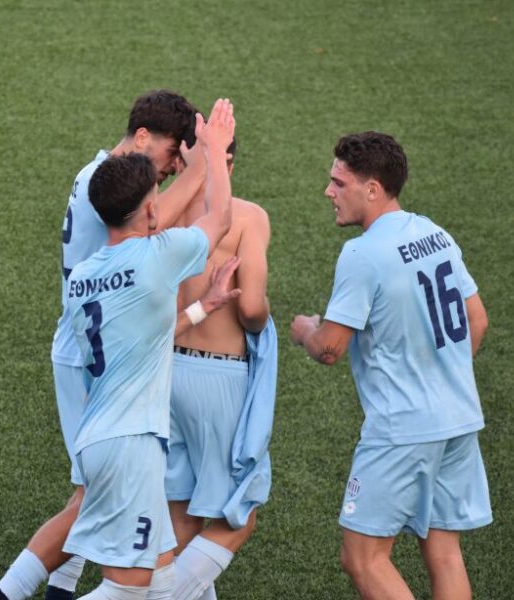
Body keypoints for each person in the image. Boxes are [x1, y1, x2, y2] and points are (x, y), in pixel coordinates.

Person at [0, 90, 216, 600]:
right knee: (92, 496)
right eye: (172, 152)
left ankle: (57, 589)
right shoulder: (110, 187)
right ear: (141, 137)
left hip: (97, 344)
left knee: (113, 507)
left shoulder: (100, 176)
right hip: (92, 356)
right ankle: (1, 595)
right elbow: (156, 227)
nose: (174, 165)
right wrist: (206, 165)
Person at [289, 132, 491, 600]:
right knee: (444, 553)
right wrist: (440, 378)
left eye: (339, 183)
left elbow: (330, 349)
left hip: (403, 428)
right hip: (459, 419)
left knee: (363, 558)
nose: (328, 191)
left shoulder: (363, 253)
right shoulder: (434, 233)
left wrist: (305, 331)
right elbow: (476, 319)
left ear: (373, 189)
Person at [61, 98, 235, 600]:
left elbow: (148, 335)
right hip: (132, 444)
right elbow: (220, 218)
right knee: (129, 588)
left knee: (162, 576)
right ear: (151, 210)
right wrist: (214, 153)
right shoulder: (156, 257)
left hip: (99, 438)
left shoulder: (84, 277)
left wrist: (203, 307)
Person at [165, 135, 274, 600]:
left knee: (180, 516)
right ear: (229, 162)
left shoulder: (159, 214)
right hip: (219, 379)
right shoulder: (249, 217)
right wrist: (266, 313)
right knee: (239, 515)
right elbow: (250, 309)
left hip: (164, 373)